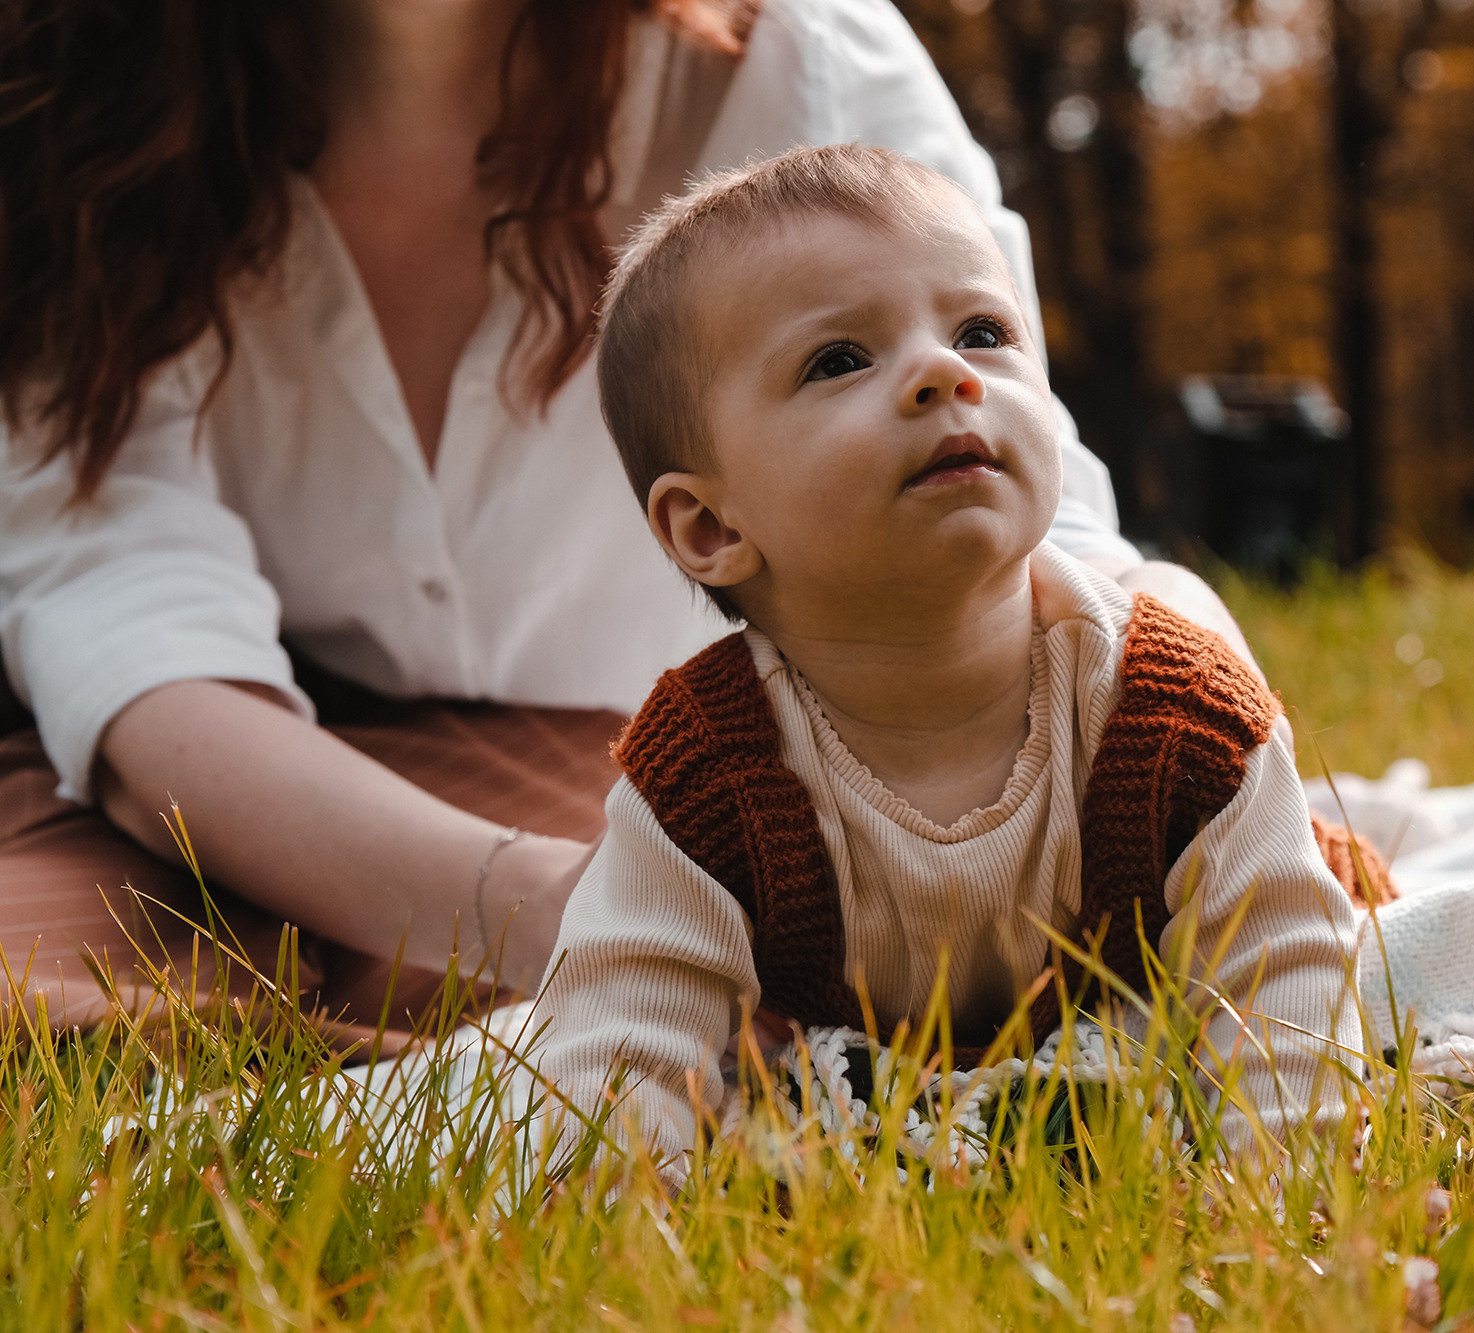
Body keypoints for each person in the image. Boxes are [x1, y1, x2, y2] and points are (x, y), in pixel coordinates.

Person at [0, 0, 1256, 1029]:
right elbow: (120, 617)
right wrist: (550, 912)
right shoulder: (75, 113)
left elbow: (1033, 510)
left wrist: (1188, 745)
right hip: (221, 791)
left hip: (643, 763)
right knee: (80, 999)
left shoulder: (801, 62)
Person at [533, 144, 1364, 1182]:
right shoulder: (709, 776)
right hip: (891, 1064)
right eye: (839, 359)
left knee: (1402, 961)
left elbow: (1283, 971)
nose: (944, 372)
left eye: (981, 332)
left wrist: (1299, 1198)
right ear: (707, 525)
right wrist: (608, 1210)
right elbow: (614, 1040)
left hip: (1151, 993)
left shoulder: (1168, 708)